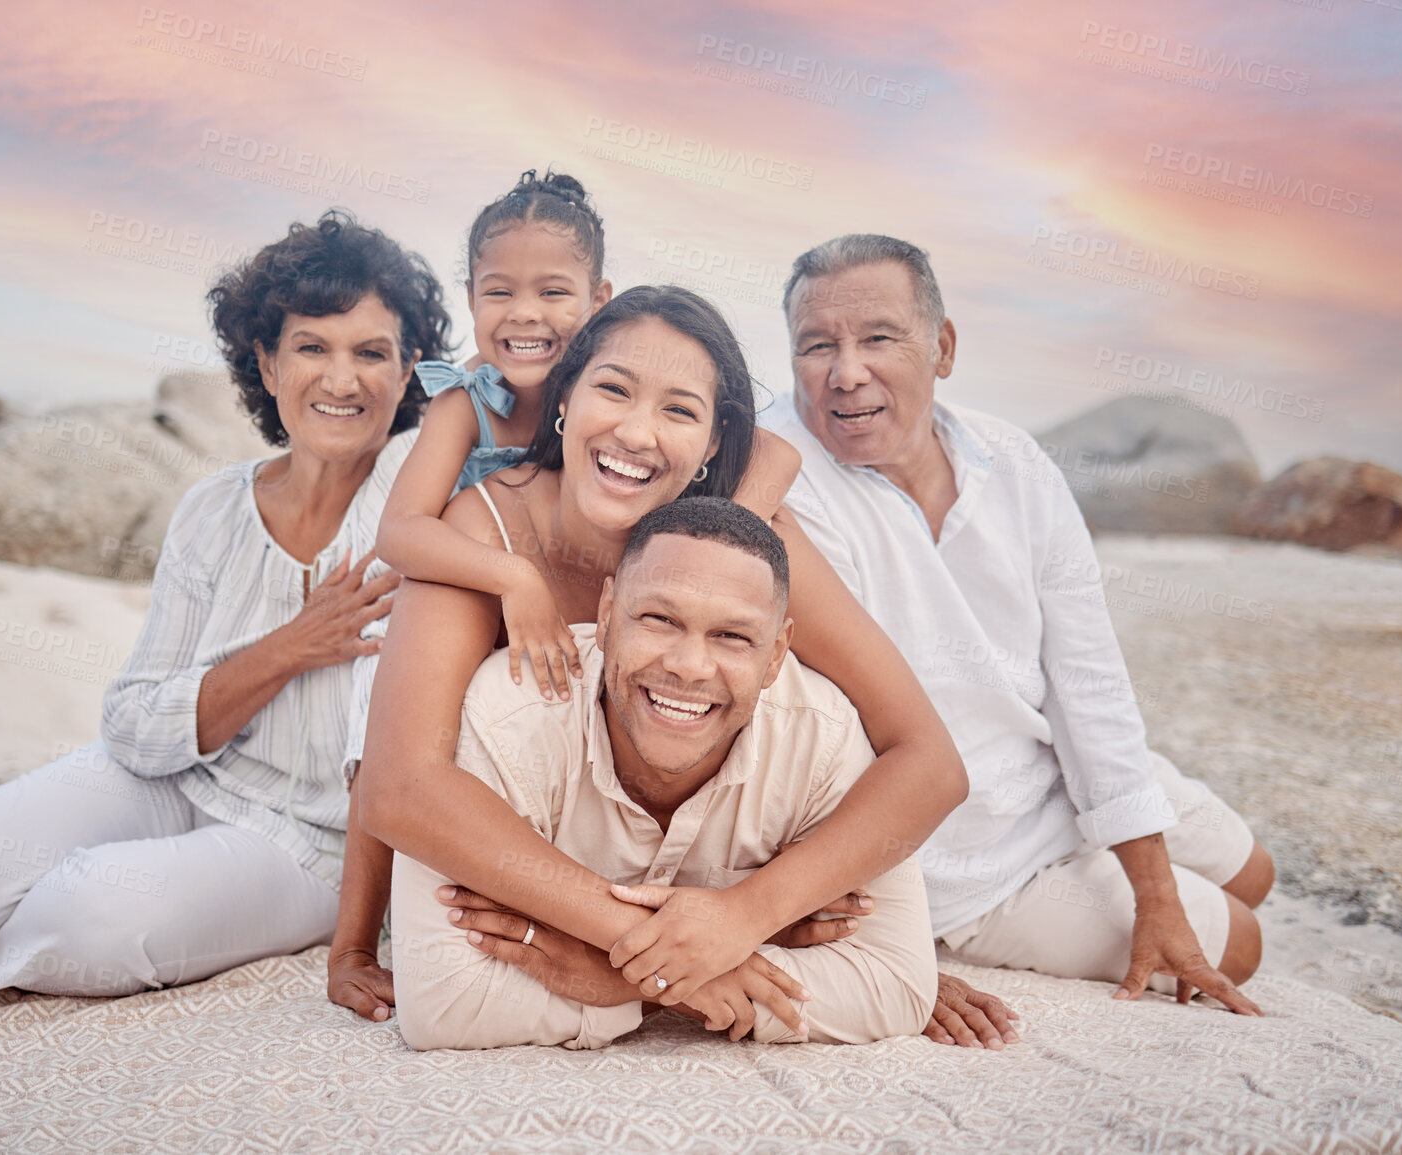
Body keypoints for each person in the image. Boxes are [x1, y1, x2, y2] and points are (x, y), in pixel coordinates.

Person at [0, 211, 448, 1007]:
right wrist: (291, 645)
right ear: (267, 364)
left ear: (410, 369)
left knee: (94, 909)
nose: (342, 379)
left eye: (371, 352)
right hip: (175, 779)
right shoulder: (211, 509)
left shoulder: (417, 502)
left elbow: (521, 369)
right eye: (312, 346)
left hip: (306, 846)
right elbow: (135, 725)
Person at [327, 284, 968, 1034]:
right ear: (562, 399)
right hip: (545, 840)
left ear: (710, 446)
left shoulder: (742, 546)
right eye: (613, 389)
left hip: (674, 853)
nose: (635, 432)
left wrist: (746, 920)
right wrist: (656, 954)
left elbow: (928, 760)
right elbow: (399, 784)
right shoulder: (483, 534)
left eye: (678, 410)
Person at [765, 234, 1277, 1047]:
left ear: (942, 347)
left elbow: (1086, 674)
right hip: (964, 852)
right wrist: (889, 949)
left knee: (1256, 872)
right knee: (1241, 942)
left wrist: (1151, 888)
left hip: (1049, 766)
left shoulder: (1011, 458)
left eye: (877, 338)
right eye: (815, 345)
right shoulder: (782, 479)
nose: (844, 372)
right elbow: (820, 727)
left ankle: (1141, 869)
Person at [391, 498, 938, 1050]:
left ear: (776, 656)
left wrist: (623, 974)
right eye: (659, 619)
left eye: (733, 637)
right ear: (606, 616)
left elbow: (897, 986)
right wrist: (693, 970)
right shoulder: (506, 717)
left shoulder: (824, 737)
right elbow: (443, 1000)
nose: (688, 666)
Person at [372, 170, 800, 702]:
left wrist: (710, 556)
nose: (525, 313)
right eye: (499, 291)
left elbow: (777, 453)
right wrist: (515, 577)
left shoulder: (616, 374)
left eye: (553, 292)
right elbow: (398, 533)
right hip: (459, 572)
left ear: (597, 300)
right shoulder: (465, 400)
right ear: (471, 297)